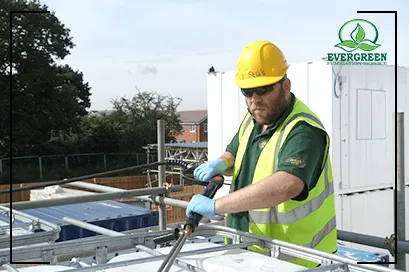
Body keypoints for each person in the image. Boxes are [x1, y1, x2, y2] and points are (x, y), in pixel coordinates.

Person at [186, 40, 337, 268]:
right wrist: (220, 163)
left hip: (295, 260)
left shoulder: (304, 130)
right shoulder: (254, 118)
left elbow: (287, 184)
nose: (255, 99)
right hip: (248, 252)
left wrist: (216, 206)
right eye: (247, 91)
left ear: (285, 86)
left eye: (264, 89)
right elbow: (233, 153)